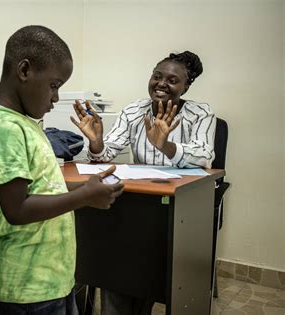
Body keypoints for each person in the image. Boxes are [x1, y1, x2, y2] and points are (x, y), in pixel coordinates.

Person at [0, 25, 125, 315]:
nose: (56, 98)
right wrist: (83, 198)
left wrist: (86, 188)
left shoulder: (25, 125)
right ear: (24, 71)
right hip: (27, 288)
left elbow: (41, 189)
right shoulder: (4, 128)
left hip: (52, 280)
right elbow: (17, 208)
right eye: (55, 85)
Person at [71, 51, 216, 314]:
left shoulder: (201, 112)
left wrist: (167, 146)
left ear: (186, 86)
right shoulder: (134, 110)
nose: (161, 83)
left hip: (181, 204)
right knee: (117, 255)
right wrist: (96, 142)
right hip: (139, 197)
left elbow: (206, 156)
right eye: (157, 76)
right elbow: (107, 152)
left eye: (172, 80)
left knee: (145, 264)